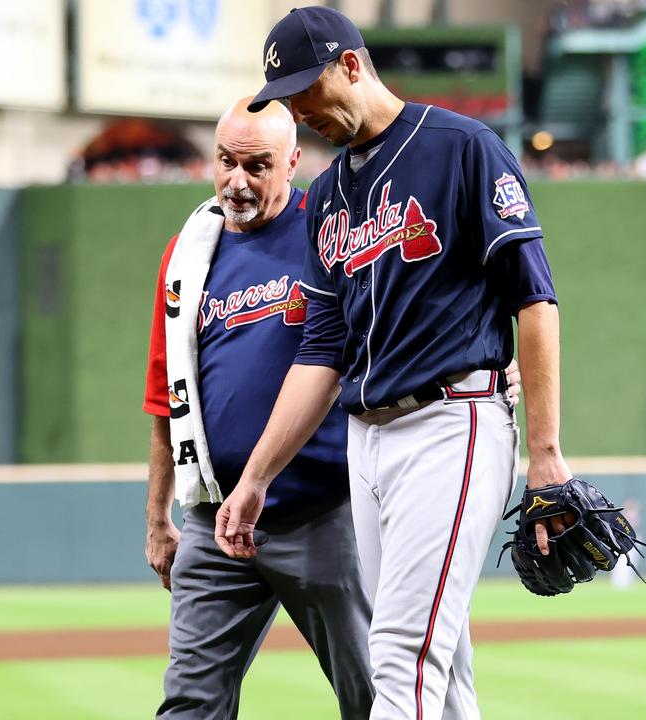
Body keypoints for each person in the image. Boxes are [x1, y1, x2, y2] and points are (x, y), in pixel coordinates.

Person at [214, 7, 574, 719]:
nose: (298, 110)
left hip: (452, 421)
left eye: (304, 90)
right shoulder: (324, 199)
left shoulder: (463, 149)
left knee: (401, 660)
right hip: (365, 442)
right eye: (285, 98)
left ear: (351, 65)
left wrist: (546, 451)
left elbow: (534, 298)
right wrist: (256, 477)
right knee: (441, 681)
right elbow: (321, 351)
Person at [143, 97, 374, 719]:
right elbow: (166, 396)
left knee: (377, 696)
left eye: (257, 165)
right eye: (225, 162)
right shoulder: (189, 254)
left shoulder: (331, 230)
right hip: (213, 520)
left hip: (323, 514)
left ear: (294, 162)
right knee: (189, 703)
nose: (236, 181)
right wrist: (157, 514)